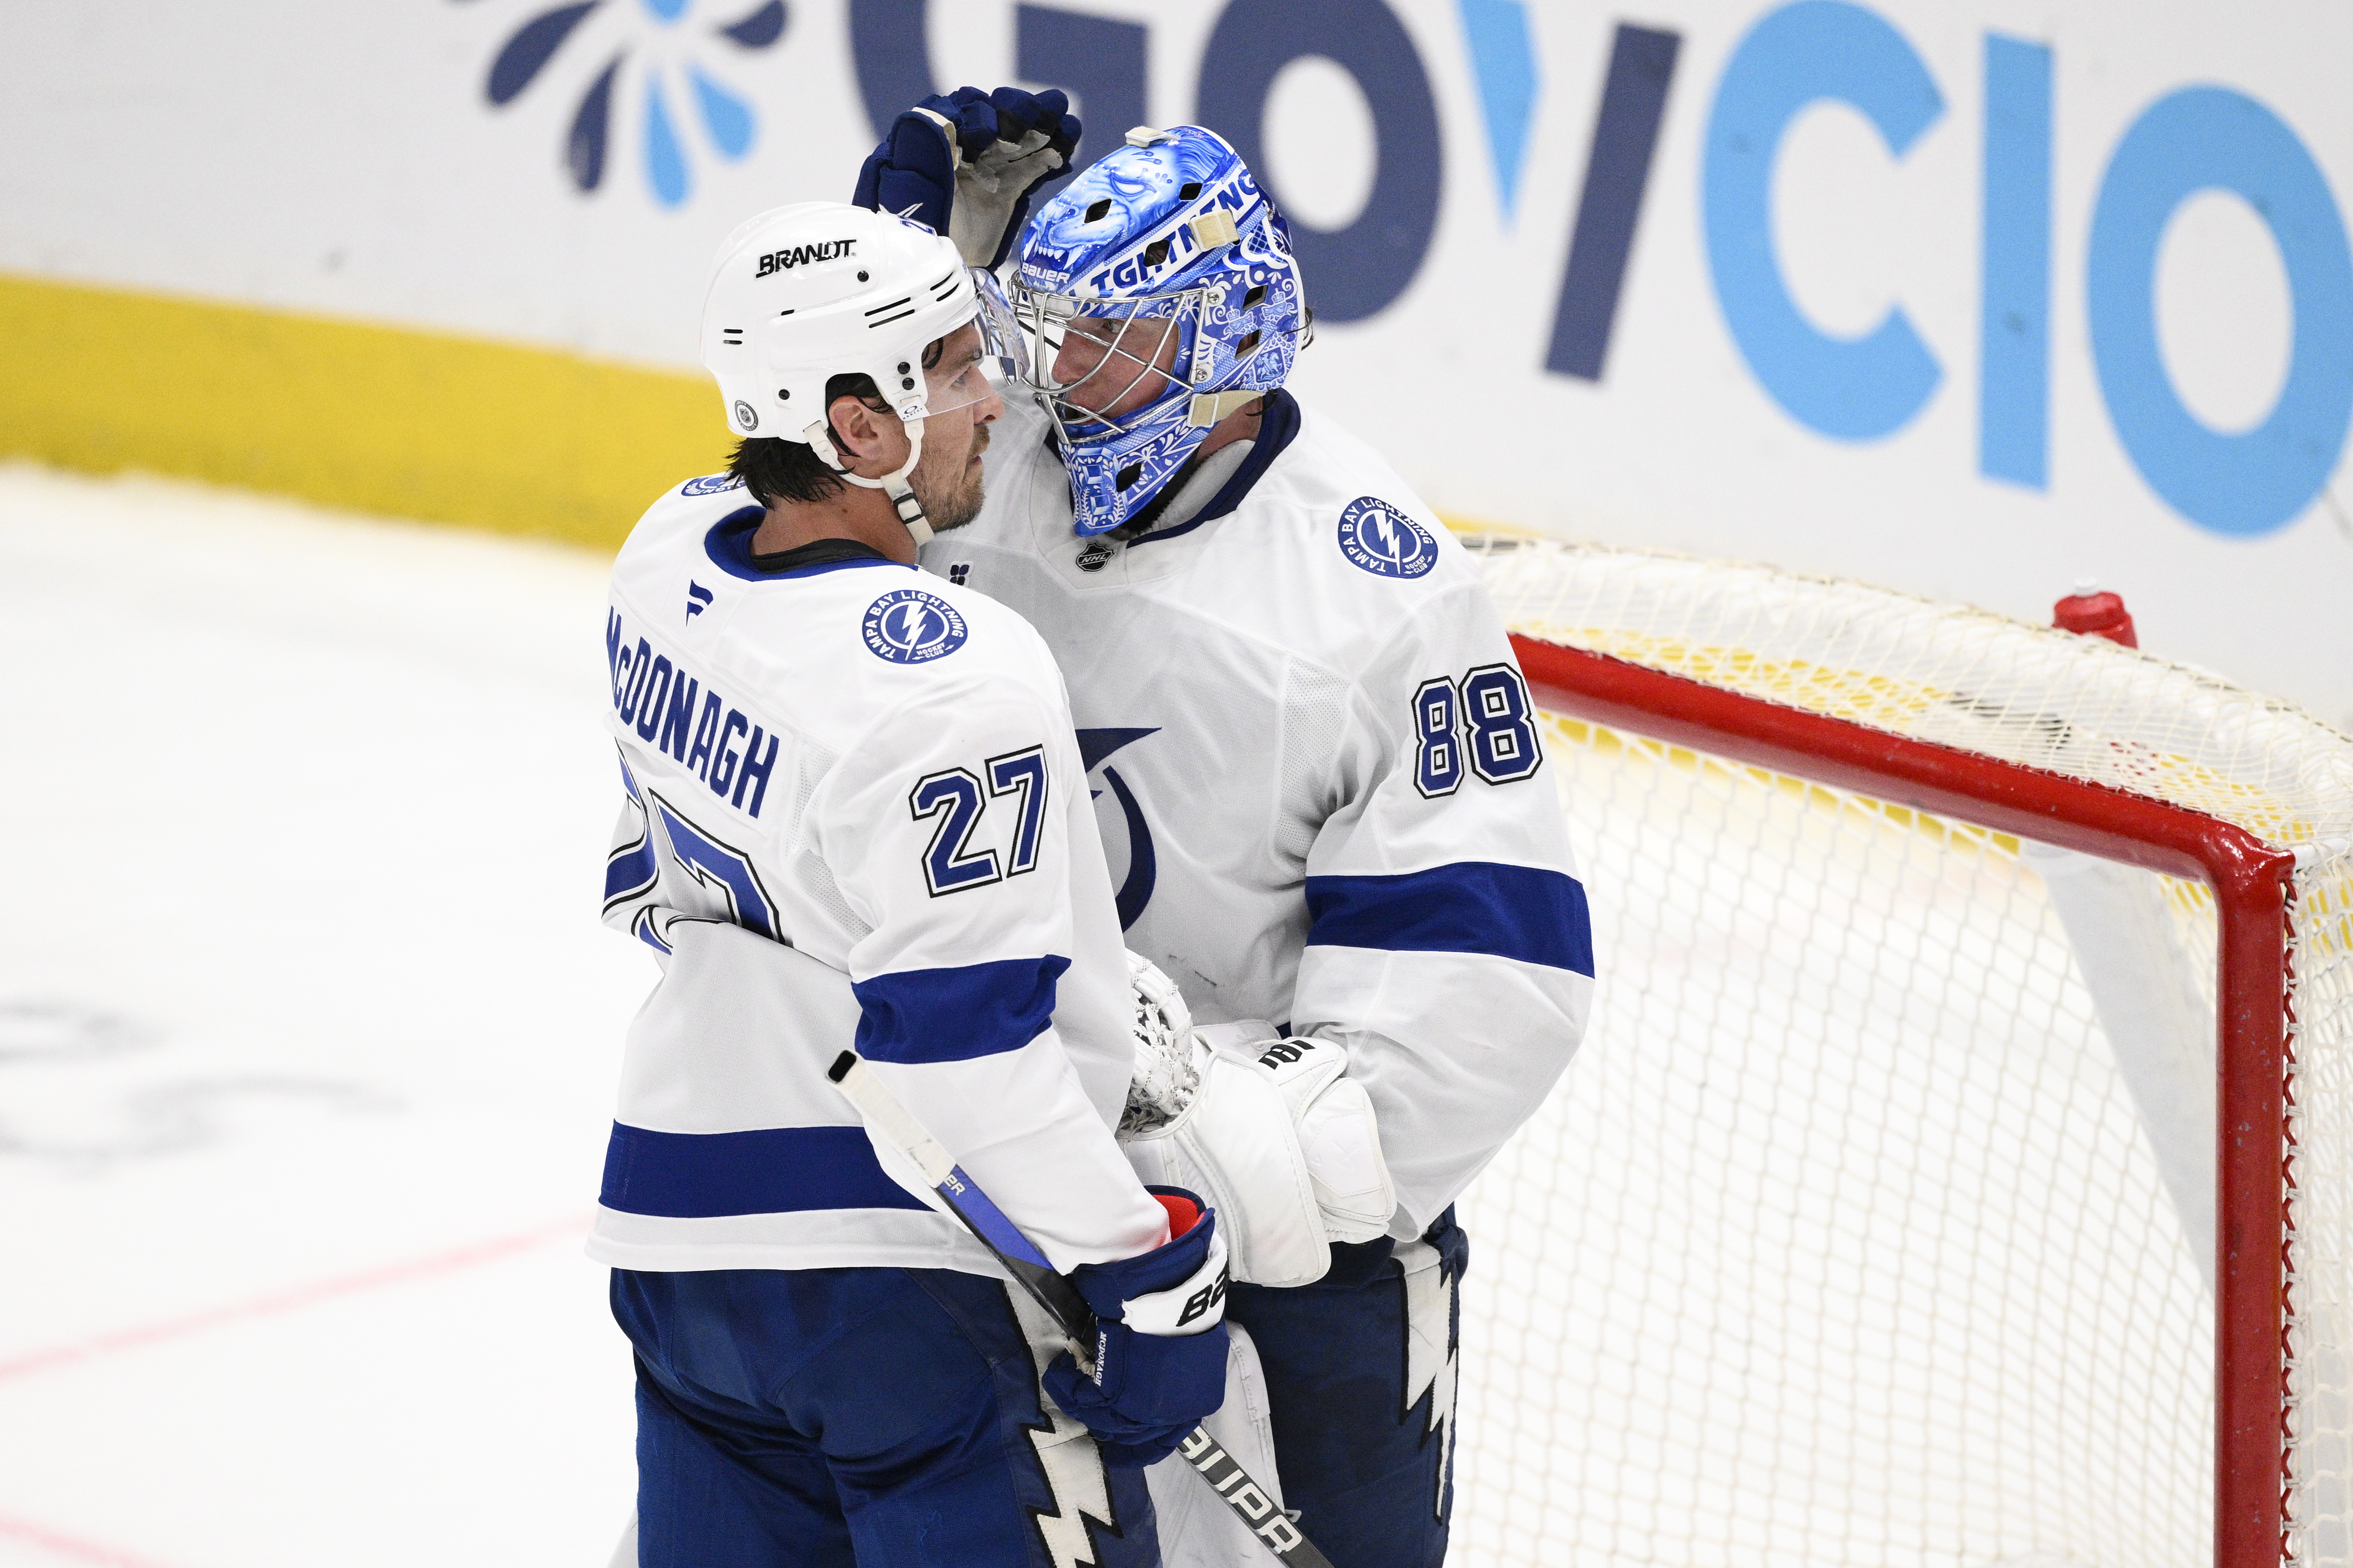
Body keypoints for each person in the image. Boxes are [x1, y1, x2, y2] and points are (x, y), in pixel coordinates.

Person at [854, 94, 1597, 1566]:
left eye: (1109, 345)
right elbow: (792, 554)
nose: (1060, 384)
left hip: (1289, 1266)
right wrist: (893, 277)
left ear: (1232, 338)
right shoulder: (993, 470)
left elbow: (1497, 981)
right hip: (1004, 1185)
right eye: (1047, 334)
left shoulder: (1378, 597)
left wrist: (1217, 1135)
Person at [592, 197, 1231, 1568]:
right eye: (950, 369)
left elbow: (788, 485)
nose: (993, 397)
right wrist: (1137, 1263)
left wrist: (901, 249)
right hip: (891, 1290)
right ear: (858, 426)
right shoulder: (957, 679)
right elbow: (960, 1051)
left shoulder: (664, 558)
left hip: (676, 1252)